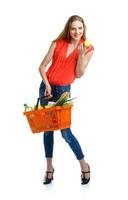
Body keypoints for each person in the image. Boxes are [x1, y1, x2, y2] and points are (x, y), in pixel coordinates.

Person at [38, 15, 94, 185]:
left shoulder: (88, 48)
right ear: (68, 29)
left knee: (65, 133)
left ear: (84, 28)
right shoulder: (57, 43)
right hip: (46, 88)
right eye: (73, 28)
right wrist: (47, 85)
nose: (77, 32)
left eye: (80, 28)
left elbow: (78, 74)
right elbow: (41, 66)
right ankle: (49, 169)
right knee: (47, 130)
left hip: (63, 92)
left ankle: (84, 165)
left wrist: (82, 57)